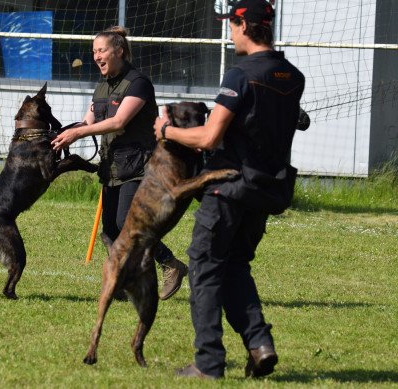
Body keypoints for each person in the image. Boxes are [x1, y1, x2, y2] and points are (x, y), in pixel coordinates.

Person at [153, 0, 305, 379]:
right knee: (235, 266)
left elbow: (208, 137)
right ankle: (259, 345)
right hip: (267, 189)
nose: (229, 33)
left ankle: (208, 363)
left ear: (244, 25)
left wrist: (166, 132)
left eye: (231, 25)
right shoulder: (292, 76)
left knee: (204, 269)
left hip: (227, 189)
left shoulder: (241, 74)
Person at [52, 26, 187, 300]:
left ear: (119, 51)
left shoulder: (138, 83)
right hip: (112, 167)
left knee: (129, 225)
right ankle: (125, 282)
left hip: (139, 167)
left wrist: (78, 133)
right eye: (93, 52)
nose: (95, 56)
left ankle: (171, 264)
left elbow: (118, 122)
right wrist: (59, 134)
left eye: (101, 50)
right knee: (111, 230)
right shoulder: (101, 86)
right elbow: (87, 123)